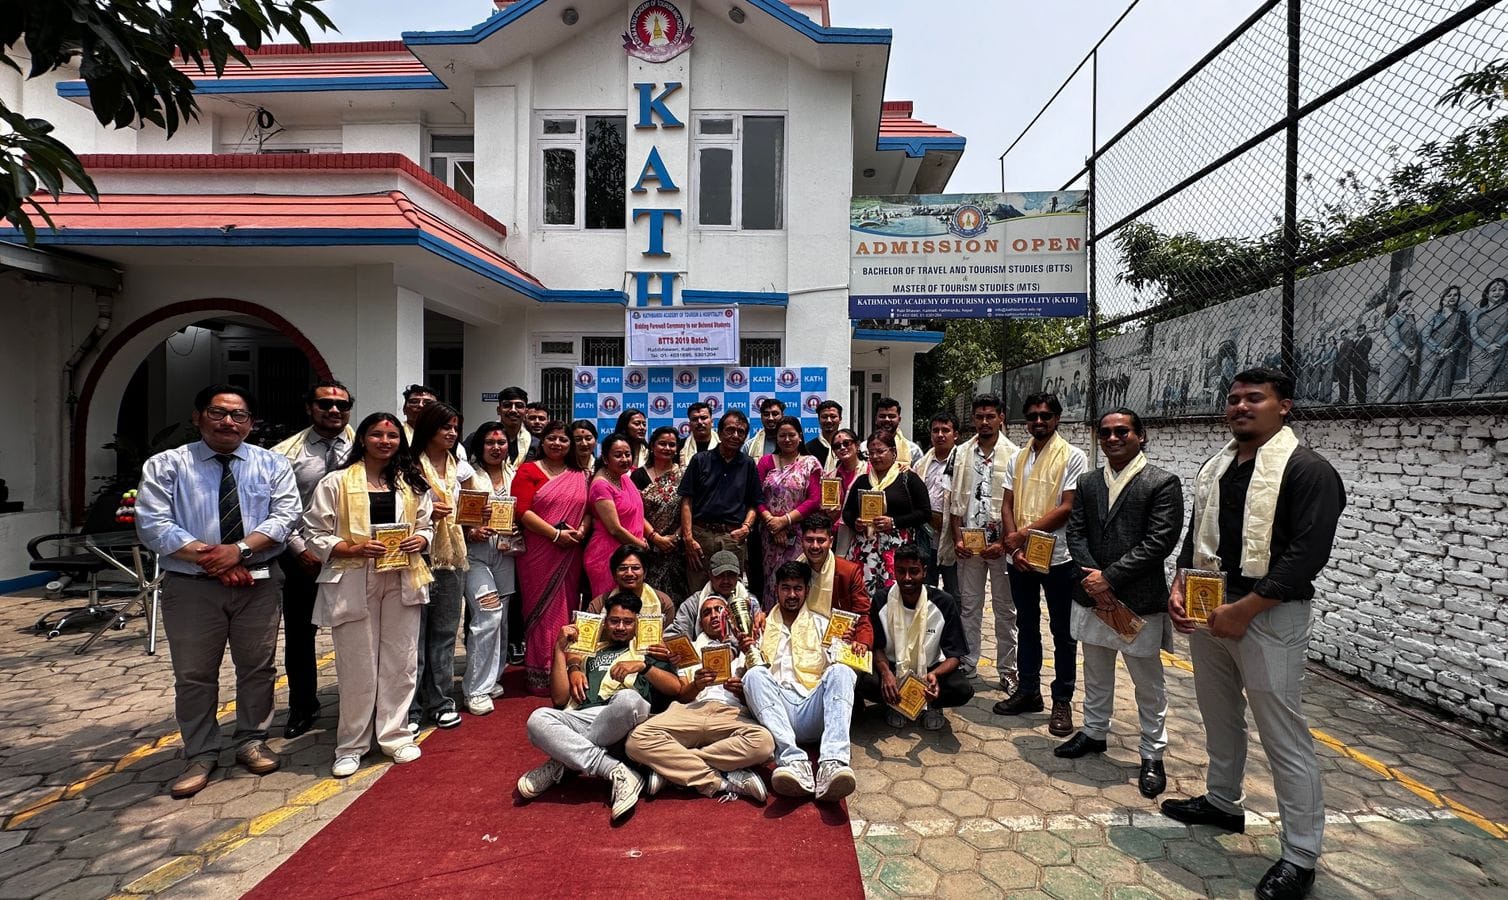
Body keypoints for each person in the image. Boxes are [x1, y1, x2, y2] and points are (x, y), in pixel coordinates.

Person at [1162, 368, 1344, 900]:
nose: (1241, 407)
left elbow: (1307, 555)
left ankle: (1300, 854)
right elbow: (1196, 534)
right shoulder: (1216, 467)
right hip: (1210, 608)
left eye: (1254, 399)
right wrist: (1178, 582)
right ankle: (1222, 802)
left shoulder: (1308, 470)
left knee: (1283, 735)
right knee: (1218, 714)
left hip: (1269, 615)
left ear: (1283, 406)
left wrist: (1247, 608)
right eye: (1234, 398)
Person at [135, 384, 301, 798]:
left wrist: (240, 552)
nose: (229, 421)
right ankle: (201, 752)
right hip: (191, 586)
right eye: (218, 412)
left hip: (257, 582)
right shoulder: (167, 465)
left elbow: (286, 516)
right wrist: (216, 560)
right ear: (198, 416)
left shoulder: (272, 464)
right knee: (194, 674)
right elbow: (154, 525)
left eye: (239, 415)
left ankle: (251, 739)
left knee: (258, 666)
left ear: (250, 422)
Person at [1059, 409, 1183, 800]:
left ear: (1140, 436)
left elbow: (1159, 541)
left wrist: (1109, 578)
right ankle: (1094, 732)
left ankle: (1152, 753)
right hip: (1093, 594)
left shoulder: (1162, 483)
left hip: (1135, 599)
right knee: (1095, 671)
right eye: (1106, 432)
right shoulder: (1090, 481)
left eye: (1122, 431)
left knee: (1147, 683)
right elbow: (1076, 532)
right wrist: (1093, 578)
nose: (1113, 438)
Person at [304, 412, 434, 777]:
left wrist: (420, 539)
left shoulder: (412, 482)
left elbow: (427, 526)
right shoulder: (337, 482)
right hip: (353, 578)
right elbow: (314, 532)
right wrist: (350, 547)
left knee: (401, 659)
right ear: (362, 439)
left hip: (402, 576)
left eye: (392, 435)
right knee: (357, 663)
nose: (385, 441)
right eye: (377, 434)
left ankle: (395, 735)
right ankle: (351, 744)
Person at [517, 592, 683, 822]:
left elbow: (676, 688)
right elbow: (558, 698)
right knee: (537, 719)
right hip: (586, 715)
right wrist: (559, 650)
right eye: (615, 621)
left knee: (628, 698)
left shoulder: (648, 650)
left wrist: (643, 667)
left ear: (638, 624)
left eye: (628, 622)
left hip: (626, 716)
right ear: (605, 622)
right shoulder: (589, 651)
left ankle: (565, 761)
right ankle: (614, 769)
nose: (621, 627)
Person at [996, 393, 1088, 737]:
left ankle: (1062, 700)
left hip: (1059, 558)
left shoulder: (1073, 457)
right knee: (1027, 625)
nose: (1039, 421)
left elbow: (1067, 507)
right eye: (1033, 415)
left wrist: (1021, 535)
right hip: (1020, 559)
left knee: (1063, 633)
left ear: (1057, 419)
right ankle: (1029, 691)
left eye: (1046, 415)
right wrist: (1014, 545)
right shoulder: (1018, 458)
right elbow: (1007, 504)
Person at [626, 593, 773, 803]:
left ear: (730, 617)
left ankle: (673, 768)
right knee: (636, 741)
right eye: (706, 612)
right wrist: (696, 685)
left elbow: (763, 692)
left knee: (765, 744)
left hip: (731, 713)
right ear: (700, 622)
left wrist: (741, 692)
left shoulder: (749, 645)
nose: (713, 615)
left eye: (719, 610)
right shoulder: (688, 648)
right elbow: (683, 694)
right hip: (691, 711)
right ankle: (722, 778)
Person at [269, 379, 354, 739]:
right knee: (301, 636)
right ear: (309, 407)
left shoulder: (364, 444)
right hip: (304, 558)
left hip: (356, 556)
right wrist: (299, 548)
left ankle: (358, 702)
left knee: (355, 632)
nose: (334, 411)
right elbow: (277, 509)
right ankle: (303, 706)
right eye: (325, 404)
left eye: (341, 405)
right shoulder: (286, 453)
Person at [741, 561, 858, 801]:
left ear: (807, 590)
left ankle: (832, 763)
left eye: (798, 588)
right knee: (753, 674)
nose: (792, 594)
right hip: (775, 714)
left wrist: (846, 646)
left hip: (811, 707)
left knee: (843, 672)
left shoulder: (822, 624)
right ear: (777, 590)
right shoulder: (759, 626)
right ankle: (794, 763)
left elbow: (838, 666)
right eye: (786, 588)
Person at [408, 402, 472, 732]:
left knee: (445, 633)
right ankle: (411, 706)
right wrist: (424, 517)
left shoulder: (457, 465)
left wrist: (477, 518)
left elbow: (467, 507)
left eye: (455, 428)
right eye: (445, 427)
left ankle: (441, 699)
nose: (451, 433)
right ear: (428, 429)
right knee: (414, 636)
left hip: (452, 558)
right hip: (416, 556)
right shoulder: (407, 466)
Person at [514, 420, 591, 695]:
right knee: (541, 610)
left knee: (567, 607)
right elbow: (522, 511)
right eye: (552, 438)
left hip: (571, 551)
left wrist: (581, 530)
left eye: (563, 439)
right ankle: (540, 672)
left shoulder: (580, 474)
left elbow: (589, 510)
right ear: (542, 442)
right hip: (539, 551)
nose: (557, 443)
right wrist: (555, 535)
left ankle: (563, 669)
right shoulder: (528, 470)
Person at [861, 546, 973, 731]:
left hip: (929, 670)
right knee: (865, 681)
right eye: (901, 571)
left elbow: (955, 655)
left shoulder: (943, 602)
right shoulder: (882, 599)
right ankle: (893, 703)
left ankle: (933, 706)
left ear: (925, 572)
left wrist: (935, 675)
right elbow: (877, 646)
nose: (907, 578)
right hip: (893, 666)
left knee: (961, 689)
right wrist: (886, 673)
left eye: (913, 571)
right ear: (894, 571)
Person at [459, 422, 522, 715]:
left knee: (503, 619)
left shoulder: (517, 473)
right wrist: (471, 531)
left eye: (501, 442)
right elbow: (457, 514)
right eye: (489, 442)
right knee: (487, 614)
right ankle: (475, 689)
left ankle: (493, 677)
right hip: (475, 555)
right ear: (479, 445)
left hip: (507, 553)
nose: (496, 448)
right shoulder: (467, 474)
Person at [841, 431, 931, 604]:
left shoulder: (908, 478)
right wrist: (856, 522)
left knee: (895, 597)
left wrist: (894, 522)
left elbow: (924, 512)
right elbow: (848, 512)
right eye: (870, 452)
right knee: (862, 598)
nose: (875, 456)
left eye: (880, 451)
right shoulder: (862, 481)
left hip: (898, 550)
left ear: (893, 452)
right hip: (865, 550)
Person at [678, 410, 759, 593]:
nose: (735, 436)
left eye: (741, 432)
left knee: (732, 592)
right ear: (720, 432)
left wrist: (746, 527)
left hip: (732, 538)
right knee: (698, 592)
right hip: (700, 538)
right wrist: (688, 538)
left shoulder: (748, 464)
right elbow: (686, 501)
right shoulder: (700, 460)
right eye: (730, 430)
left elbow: (754, 503)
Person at [756, 415, 823, 606]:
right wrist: (773, 524)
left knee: (798, 580)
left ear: (800, 437)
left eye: (791, 435)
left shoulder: (810, 462)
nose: (787, 439)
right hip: (770, 536)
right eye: (782, 435)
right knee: (774, 582)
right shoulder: (766, 462)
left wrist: (784, 521)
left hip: (800, 535)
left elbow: (814, 499)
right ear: (775, 438)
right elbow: (756, 497)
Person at [584, 433, 648, 600]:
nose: (624, 459)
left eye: (627, 454)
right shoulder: (601, 485)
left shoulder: (623, 478)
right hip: (607, 555)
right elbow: (614, 529)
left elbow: (636, 513)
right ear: (605, 459)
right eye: (618, 455)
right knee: (609, 607)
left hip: (631, 551)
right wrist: (640, 544)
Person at [797, 513, 873, 649]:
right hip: (801, 640)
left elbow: (862, 614)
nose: (815, 546)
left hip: (839, 641)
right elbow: (784, 608)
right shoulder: (794, 570)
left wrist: (862, 642)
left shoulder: (849, 572)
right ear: (801, 541)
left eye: (821, 540)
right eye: (809, 540)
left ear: (831, 542)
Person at [633, 426, 688, 604]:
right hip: (648, 546)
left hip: (677, 548)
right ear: (652, 446)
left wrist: (677, 536)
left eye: (672, 445)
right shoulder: (638, 476)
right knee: (648, 599)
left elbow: (689, 508)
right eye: (662, 443)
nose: (667, 448)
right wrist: (655, 538)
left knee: (677, 598)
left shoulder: (684, 475)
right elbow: (635, 511)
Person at [666, 550, 758, 639]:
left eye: (731, 575)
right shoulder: (694, 603)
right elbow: (677, 632)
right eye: (720, 575)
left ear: (738, 575)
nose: (726, 580)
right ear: (710, 575)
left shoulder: (750, 601)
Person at [917, 411, 960, 599]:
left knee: (956, 593)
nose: (940, 434)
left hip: (953, 538)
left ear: (955, 434)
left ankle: (956, 628)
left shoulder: (963, 462)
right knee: (927, 590)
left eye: (946, 430)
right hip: (926, 537)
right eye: (936, 430)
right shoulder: (921, 464)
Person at [585, 545, 673, 621]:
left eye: (635, 568)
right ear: (614, 574)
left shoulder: (663, 603)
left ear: (645, 573)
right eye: (623, 568)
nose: (629, 573)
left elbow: (668, 639)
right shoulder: (598, 605)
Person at [1421, 285, 1471, 399]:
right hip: (1430, 354)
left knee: (1444, 386)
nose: (1453, 297)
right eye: (1449, 295)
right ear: (1443, 298)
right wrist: (1439, 349)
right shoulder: (1433, 316)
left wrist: (1450, 350)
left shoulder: (1460, 316)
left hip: (1449, 355)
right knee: (1425, 384)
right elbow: (1425, 336)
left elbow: (1462, 337)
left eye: (1456, 295)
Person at [827, 427, 864, 557]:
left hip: (864, 534)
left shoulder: (871, 472)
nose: (842, 448)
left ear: (857, 445)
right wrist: (827, 511)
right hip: (837, 535)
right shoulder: (829, 477)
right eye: (837, 446)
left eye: (846, 443)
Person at [1380, 291, 1422, 403]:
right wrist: (1409, 354)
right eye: (1406, 299)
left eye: (1411, 299)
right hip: (1397, 357)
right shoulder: (1392, 319)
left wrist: (1415, 353)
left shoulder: (1411, 318)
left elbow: (1416, 338)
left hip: (1411, 357)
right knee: (1396, 386)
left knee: (1408, 387)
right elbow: (1395, 340)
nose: (1409, 302)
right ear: (1398, 301)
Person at [1469, 277, 1508, 391]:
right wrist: (1486, 346)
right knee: (1477, 388)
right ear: (1487, 294)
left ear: (1506, 292)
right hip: (1478, 354)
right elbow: (1473, 332)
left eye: (1501, 289)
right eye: (1493, 289)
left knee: (1498, 387)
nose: (1497, 292)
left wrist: (1498, 345)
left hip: (1499, 351)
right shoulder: (1477, 312)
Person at [493, 386, 537, 468]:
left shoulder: (534, 444)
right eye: (507, 405)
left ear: (526, 412)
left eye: (519, 406)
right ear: (499, 410)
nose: (513, 410)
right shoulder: (480, 438)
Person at [872, 397, 921, 468]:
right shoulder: (864, 449)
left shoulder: (913, 450)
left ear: (899, 419)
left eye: (891, 416)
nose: (887, 420)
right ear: (876, 419)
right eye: (882, 416)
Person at [804, 399, 844, 473]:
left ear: (840, 419)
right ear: (819, 419)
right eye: (824, 417)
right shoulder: (808, 449)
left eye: (833, 416)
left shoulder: (848, 447)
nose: (829, 420)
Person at [678, 401, 715, 466]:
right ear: (689, 424)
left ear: (712, 422)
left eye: (703, 418)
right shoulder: (680, 446)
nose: (699, 422)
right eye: (695, 419)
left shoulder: (722, 445)